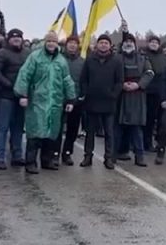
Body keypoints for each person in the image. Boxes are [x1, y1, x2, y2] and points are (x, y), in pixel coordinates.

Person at [14, 32, 77, 174]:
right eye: (49, 41)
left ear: (57, 44)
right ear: (45, 42)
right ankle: (30, 162)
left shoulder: (61, 60)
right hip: (37, 101)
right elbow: (25, 75)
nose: (51, 44)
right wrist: (22, 94)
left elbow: (66, 79)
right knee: (35, 132)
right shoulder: (35, 57)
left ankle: (46, 160)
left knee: (51, 132)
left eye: (54, 41)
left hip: (55, 102)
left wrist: (71, 98)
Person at [79, 34, 123, 169]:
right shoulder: (90, 60)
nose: (103, 45)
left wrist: (113, 94)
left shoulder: (116, 61)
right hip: (92, 102)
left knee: (109, 132)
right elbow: (83, 79)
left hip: (109, 103)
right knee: (90, 132)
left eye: (106, 43)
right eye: (101, 42)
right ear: (97, 45)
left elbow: (119, 81)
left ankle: (108, 158)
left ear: (110, 46)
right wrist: (87, 92)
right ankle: (87, 156)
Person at [0, 29, 28, 170]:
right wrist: (9, 85)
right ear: (9, 39)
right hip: (6, 95)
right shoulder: (2, 53)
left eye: (19, 37)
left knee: (18, 127)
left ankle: (17, 155)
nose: (16, 40)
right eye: (14, 38)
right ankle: (0, 157)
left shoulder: (27, 54)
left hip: (22, 96)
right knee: (3, 127)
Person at [116, 33, 153, 166]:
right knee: (118, 128)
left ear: (135, 44)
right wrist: (122, 85)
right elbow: (112, 74)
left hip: (137, 96)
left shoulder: (143, 59)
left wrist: (139, 85)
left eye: (131, 41)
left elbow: (149, 73)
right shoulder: (117, 58)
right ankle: (112, 155)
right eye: (126, 41)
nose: (129, 43)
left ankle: (139, 156)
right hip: (120, 96)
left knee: (136, 129)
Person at [55, 35, 85, 166]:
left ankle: (67, 153)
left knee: (72, 129)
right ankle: (54, 153)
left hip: (76, 100)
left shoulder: (82, 62)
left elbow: (85, 80)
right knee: (57, 128)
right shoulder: (58, 59)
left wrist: (81, 95)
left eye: (75, 43)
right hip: (59, 99)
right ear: (66, 45)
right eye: (70, 43)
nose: (72, 45)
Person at [142, 35, 166, 153]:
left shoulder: (163, 57)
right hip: (145, 91)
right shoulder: (143, 55)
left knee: (157, 120)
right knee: (145, 119)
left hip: (159, 92)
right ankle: (141, 143)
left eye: (156, 42)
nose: (153, 44)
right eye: (151, 42)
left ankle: (154, 143)